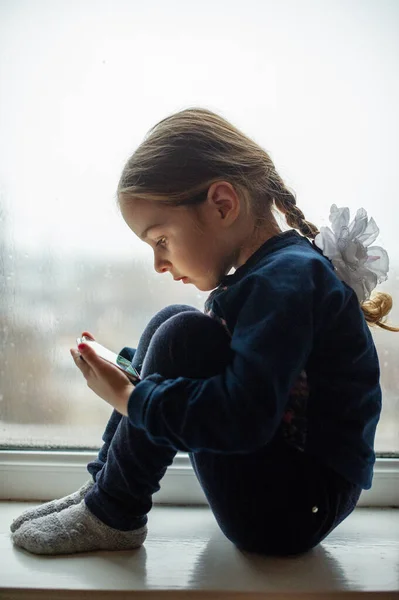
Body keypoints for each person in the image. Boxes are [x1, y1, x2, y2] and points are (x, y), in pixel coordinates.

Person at [11, 108, 398, 556]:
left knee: (182, 335)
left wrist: (130, 398)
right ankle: (107, 490)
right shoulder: (276, 271)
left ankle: (113, 511)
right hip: (289, 488)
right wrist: (135, 377)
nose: (158, 263)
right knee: (172, 324)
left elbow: (244, 417)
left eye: (160, 240)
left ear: (222, 204)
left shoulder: (285, 281)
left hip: (292, 509)